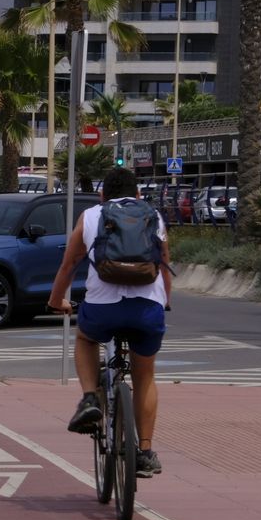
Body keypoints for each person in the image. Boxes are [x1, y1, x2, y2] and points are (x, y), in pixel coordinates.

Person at [48, 167, 172, 478]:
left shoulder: (91, 216)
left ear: (102, 196)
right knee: (145, 375)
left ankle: (90, 397)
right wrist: (165, 301)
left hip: (103, 308)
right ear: (139, 194)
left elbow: (69, 265)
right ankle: (145, 452)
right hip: (147, 310)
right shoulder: (154, 216)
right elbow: (165, 264)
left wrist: (55, 301)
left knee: (86, 338)